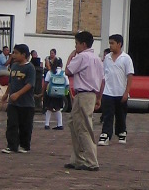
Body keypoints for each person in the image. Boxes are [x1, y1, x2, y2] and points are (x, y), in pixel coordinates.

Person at [64, 30, 103, 170]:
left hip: (84, 94)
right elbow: (102, 80)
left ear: (83, 44)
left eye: (77, 44)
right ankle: (77, 158)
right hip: (91, 94)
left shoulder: (82, 57)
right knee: (74, 123)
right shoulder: (97, 59)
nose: (76, 47)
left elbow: (68, 71)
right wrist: (99, 97)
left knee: (84, 127)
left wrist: (71, 57)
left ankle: (91, 161)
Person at [99, 33, 134, 146]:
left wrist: (126, 92)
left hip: (120, 92)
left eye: (112, 43)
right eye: (109, 43)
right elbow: (104, 76)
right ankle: (106, 134)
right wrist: (100, 94)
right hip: (108, 92)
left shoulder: (126, 58)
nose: (110, 46)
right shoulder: (107, 58)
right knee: (107, 115)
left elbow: (129, 76)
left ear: (119, 44)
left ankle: (121, 132)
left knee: (120, 115)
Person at [1, 42, 36, 153]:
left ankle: (24, 145)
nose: (13, 55)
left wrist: (18, 94)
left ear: (24, 55)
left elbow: (30, 84)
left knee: (25, 126)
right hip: (13, 103)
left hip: (26, 104)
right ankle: (11, 145)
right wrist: (6, 94)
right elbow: (11, 82)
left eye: (16, 53)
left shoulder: (30, 68)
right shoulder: (14, 66)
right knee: (12, 123)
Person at [43, 54, 69, 130]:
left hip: (50, 93)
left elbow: (46, 83)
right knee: (58, 108)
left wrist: (42, 92)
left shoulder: (50, 72)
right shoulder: (63, 73)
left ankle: (47, 124)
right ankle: (59, 124)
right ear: (61, 64)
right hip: (60, 93)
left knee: (49, 108)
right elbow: (67, 84)